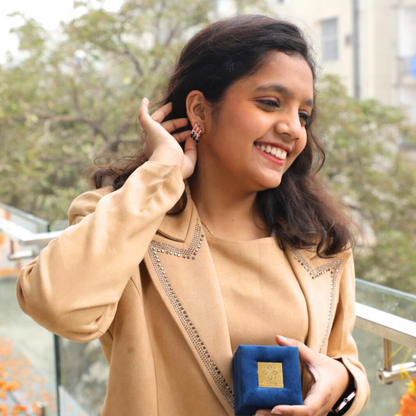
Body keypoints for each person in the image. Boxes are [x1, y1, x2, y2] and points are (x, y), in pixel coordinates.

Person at [16, 14, 369, 416]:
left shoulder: (319, 240)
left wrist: (342, 383)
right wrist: (161, 173)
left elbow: (344, 358)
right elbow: (56, 305)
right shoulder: (127, 218)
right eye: (271, 103)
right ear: (199, 109)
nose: (293, 129)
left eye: (303, 114)